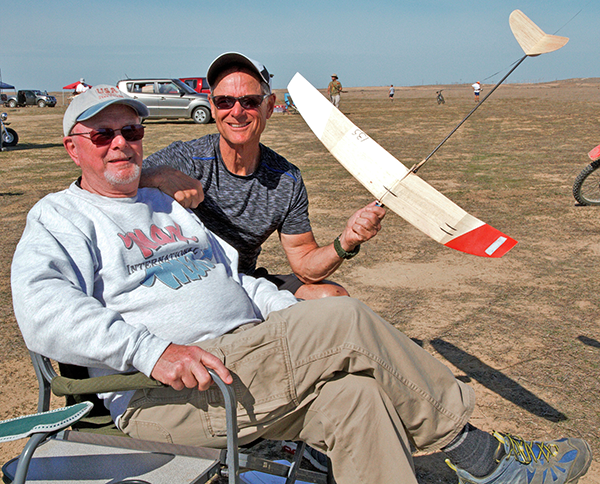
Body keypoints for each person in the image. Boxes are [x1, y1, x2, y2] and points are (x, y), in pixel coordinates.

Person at [11, 84, 592, 484]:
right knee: (345, 322)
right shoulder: (61, 218)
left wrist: (286, 303)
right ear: (72, 147)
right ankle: (481, 458)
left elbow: (234, 279)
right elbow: (43, 311)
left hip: (245, 363)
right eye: (102, 134)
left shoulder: (167, 204)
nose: (121, 143)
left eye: (131, 130)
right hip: (170, 393)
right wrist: (152, 351)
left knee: (355, 398)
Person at [141, 53, 385, 301]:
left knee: (332, 297)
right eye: (224, 101)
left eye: (249, 101)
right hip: (188, 283)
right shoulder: (186, 159)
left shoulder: (286, 179)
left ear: (268, 107)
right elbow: (109, 182)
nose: (237, 112)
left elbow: (303, 263)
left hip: (244, 283)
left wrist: (346, 241)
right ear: (212, 107)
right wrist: (156, 175)